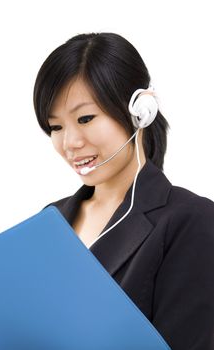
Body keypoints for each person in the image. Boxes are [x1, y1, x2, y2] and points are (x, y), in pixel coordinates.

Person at [33, 32, 214, 350]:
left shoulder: (192, 219)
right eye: (56, 127)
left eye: (86, 118)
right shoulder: (50, 221)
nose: (70, 143)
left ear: (139, 110)